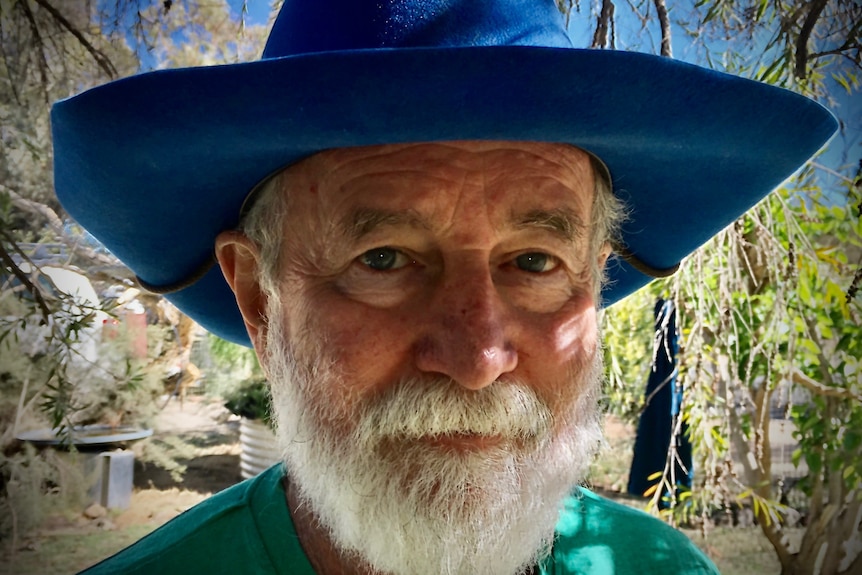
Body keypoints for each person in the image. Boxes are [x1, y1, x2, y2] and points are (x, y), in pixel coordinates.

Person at [51, 1, 836, 573]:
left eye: (534, 261)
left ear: (593, 286)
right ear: (260, 297)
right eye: (384, 258)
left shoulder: (658, 569)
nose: (478, 357)